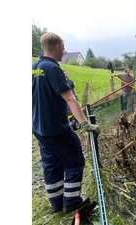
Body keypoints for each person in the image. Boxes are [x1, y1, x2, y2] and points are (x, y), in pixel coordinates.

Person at [32, 32, 100, 214]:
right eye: (63, 47)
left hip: (39, 127)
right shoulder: (53, 68)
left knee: (52, 164)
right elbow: (70, 99)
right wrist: (85, 123)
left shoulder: (34, 67)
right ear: (57, 47)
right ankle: (71, 202)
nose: (64, 50)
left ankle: (56, 203)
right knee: (75, 160)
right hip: (55, 127)